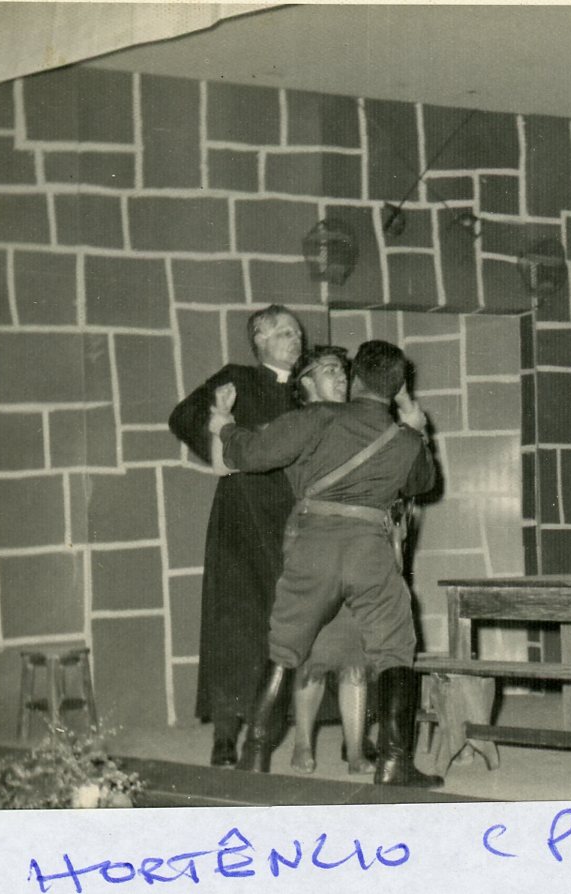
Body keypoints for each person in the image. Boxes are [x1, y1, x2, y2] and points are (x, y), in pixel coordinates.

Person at [211, 340, 443, 788]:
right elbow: (423, 483)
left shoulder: (317, 418)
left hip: (313, 546)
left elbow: (250, 454)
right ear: (397, 386)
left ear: (355, 379)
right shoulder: (404, 438)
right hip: (371, 550)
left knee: (284, 646)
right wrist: (415, 425)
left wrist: (225, 427)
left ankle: (254, 755)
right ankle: (394, 764)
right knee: (395, 648)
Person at [168, 305, 303, 767]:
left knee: (289, 626)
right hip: (241, 519)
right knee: (233, 626)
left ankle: (290, 732)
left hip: (293, 521)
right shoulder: (237, 379)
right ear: (259, 339)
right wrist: (220, 433)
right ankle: (225, 735)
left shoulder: (306, 389)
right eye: (284, 332)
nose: (295, 339)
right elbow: (183, 416)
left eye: (296, 332)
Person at [269, 345, 378, 776]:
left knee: (354, 651)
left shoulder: (357, 421)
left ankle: (355, 750)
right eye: (330, 370)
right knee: (313, 650)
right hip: (313, 541)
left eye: (343, 370)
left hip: (358, 542)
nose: (342, 376)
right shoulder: (299, 424)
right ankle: (302, 743)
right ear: (306, 383)